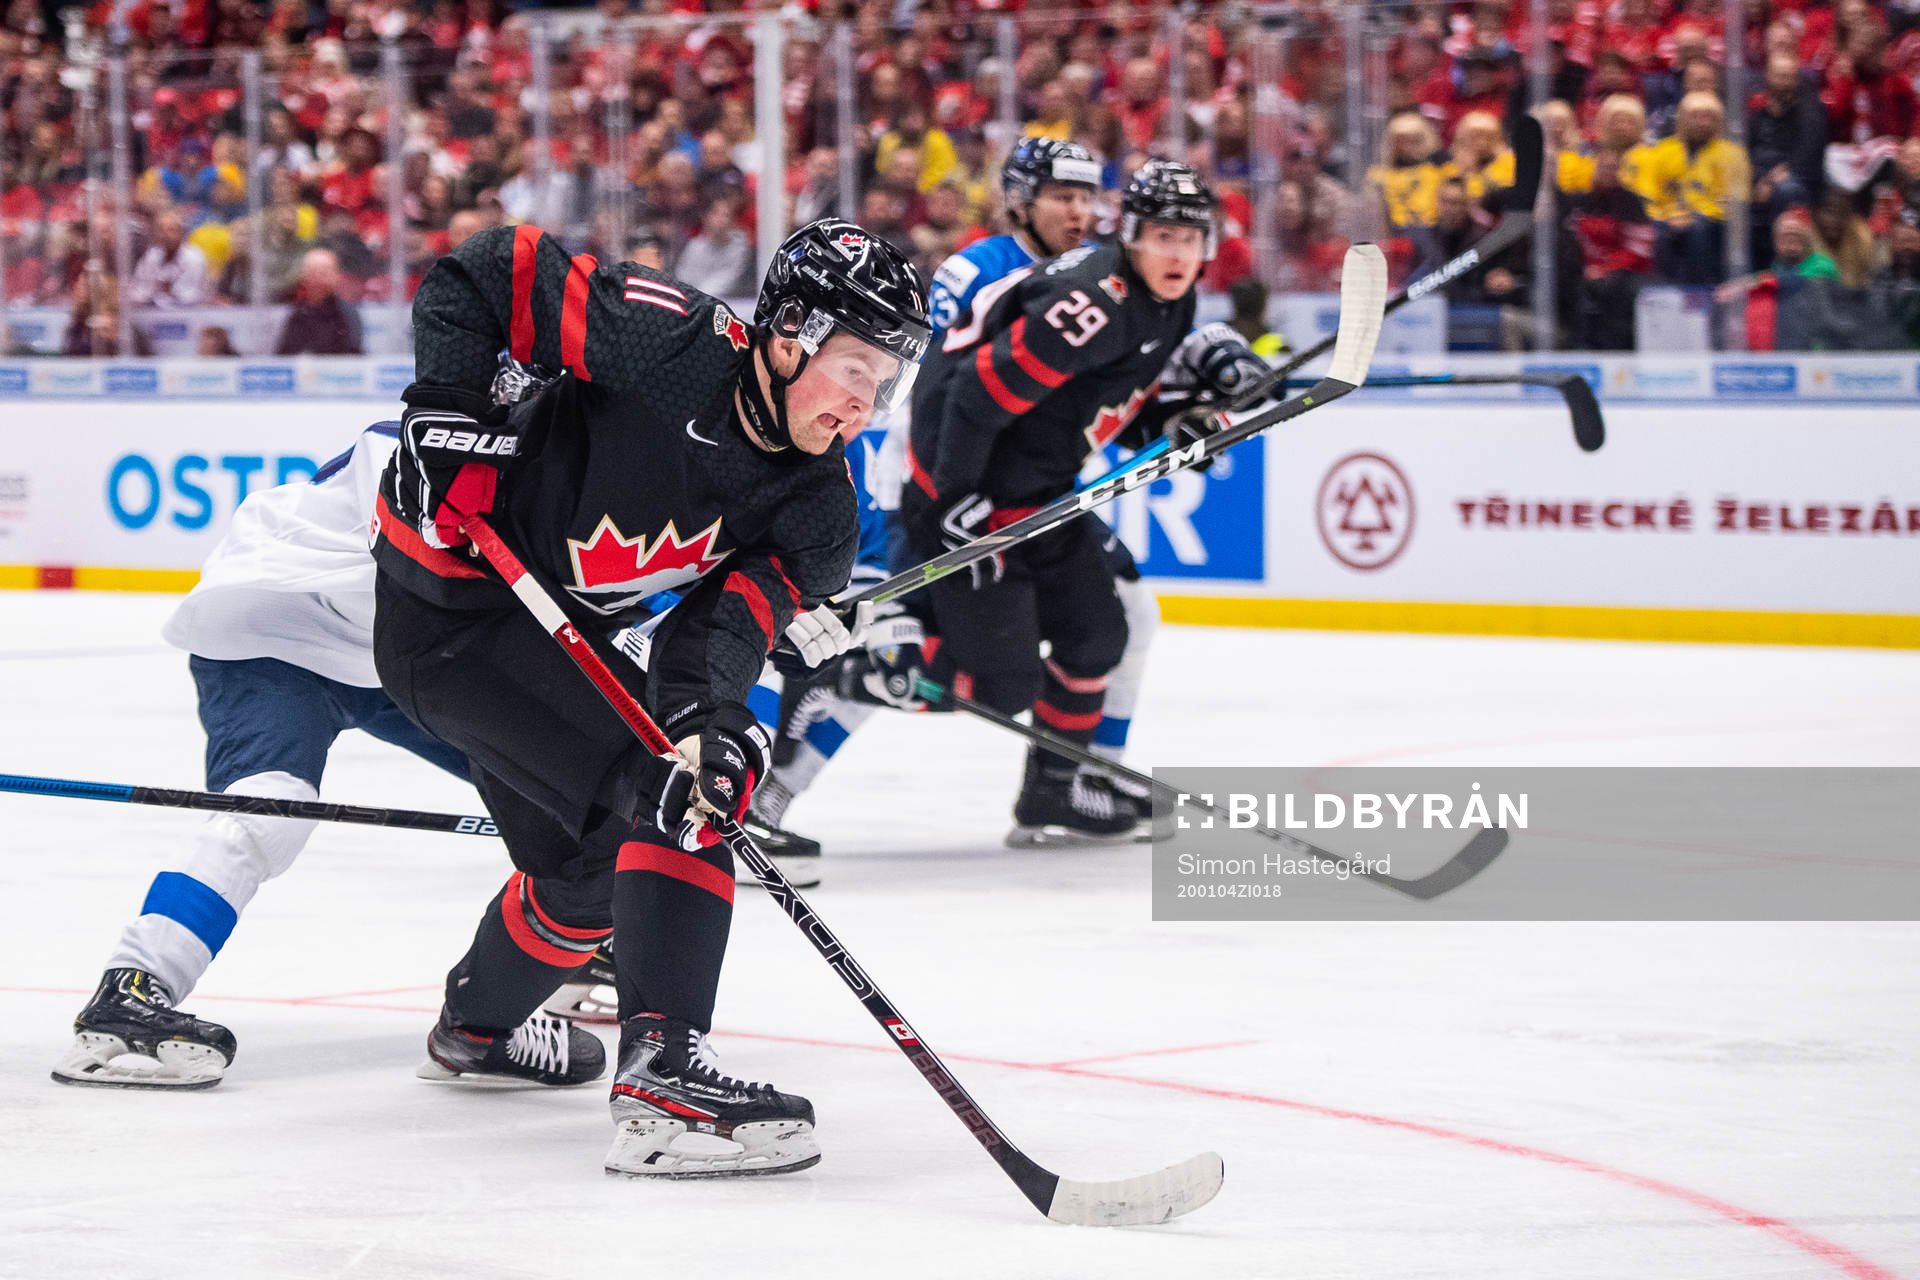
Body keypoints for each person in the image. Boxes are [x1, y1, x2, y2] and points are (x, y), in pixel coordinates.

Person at [369, 218, 929, 1177]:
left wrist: (708, 726)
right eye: (854, 370)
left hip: (555, 635)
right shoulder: (665, 342)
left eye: (885, 382)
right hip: (450, 610)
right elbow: (490, 271)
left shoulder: (816, 511)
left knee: (608, 858)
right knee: (659, 789)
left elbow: (715, 638)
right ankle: (664, 1077)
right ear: (788, 336)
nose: (864, 404)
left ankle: (477, 1028)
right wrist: (446, 409)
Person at [51, 421, 591, 1090]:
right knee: (269, 810)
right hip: (276, 625)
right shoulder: (418, 443)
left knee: (576, 795)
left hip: (398, 654)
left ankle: (556, 963)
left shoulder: (579, 477)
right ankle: (132, 991)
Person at [899, 160, 1260, 844]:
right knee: (1003, 685)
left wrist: (1182, 426)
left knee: (1097, 636)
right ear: (1132, 234)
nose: (1178, 254)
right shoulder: (1092, 304)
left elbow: (1107, 407)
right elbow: (973, 396)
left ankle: (1052, 793)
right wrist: (951, 499)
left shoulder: (1169, 300)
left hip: (1038, 496)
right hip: (966, 493)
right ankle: (864, 671)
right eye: (1164, 236)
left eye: (1190, 239)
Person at [273, 249, 363, 355]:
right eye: (312, 273)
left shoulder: (345, 313)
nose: (317, 279)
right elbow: (285, 354)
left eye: (323, 273)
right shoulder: (297, 313)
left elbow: (352, 355)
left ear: (336, 276)